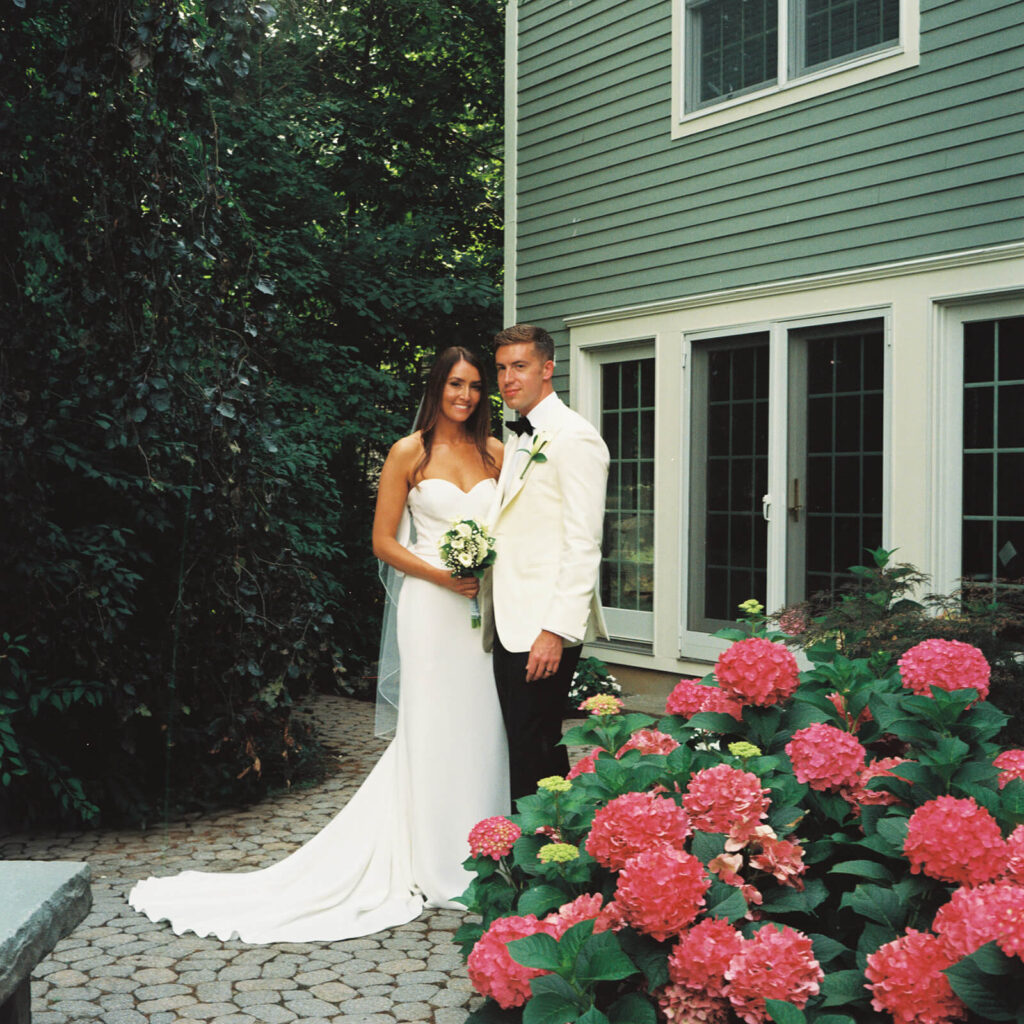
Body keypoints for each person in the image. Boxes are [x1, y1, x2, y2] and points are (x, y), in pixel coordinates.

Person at [129, 346, 509, 942]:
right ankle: (434, 861)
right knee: (432, 724)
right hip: (431, 606)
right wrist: (442, 575)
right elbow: (384, 543)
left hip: (478, 609)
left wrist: (485, 574)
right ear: (436, 387)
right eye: (455, 384)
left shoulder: (496, 454)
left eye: (475, 386)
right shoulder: (408, 453)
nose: (465, 396)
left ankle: (482, 848)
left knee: (482, 723)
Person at [482, 324, 609, 803]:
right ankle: (540, 861)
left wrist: (554, 630)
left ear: (547, 369)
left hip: (542, 629)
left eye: (520, 366)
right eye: (501, 368)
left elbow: (583, 543)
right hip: (510, 621)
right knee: (528, 750)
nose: (508, 378)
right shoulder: (518, 436)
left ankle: (543, 862)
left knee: (536, 751)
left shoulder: (574, 437)